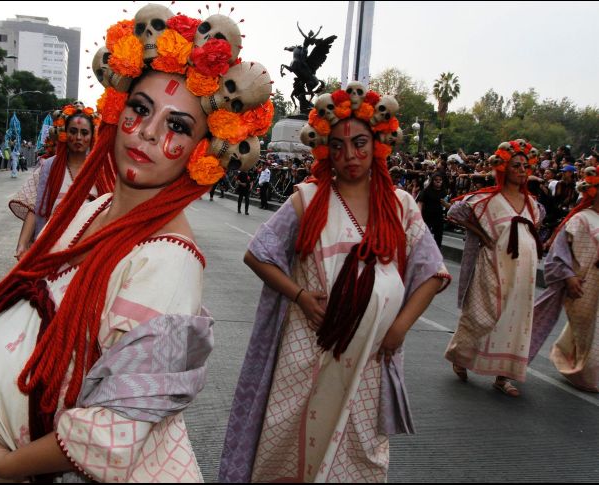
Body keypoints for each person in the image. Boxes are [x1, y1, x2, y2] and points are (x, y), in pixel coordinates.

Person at [0, 5, 273, 482]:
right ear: (118, 112)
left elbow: (115, 430)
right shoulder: (87, 208)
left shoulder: (170, 260)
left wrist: (10, 465)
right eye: (141, 108)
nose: (151, 132)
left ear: (203, 152)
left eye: (178, 126)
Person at [220, 83, 449, 483]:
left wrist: (397, 329)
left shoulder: (400, 205)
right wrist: (302, 297)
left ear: (377, 143)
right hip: (308, 349)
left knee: (361, 453)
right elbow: (257, 254)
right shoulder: (307, 200)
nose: (350, 156)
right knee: (290, 442)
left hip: (372, 358)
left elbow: (432, 272)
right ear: (326, 149)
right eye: (339, 146)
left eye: (360, 143)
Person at [444, 141, 545, 397]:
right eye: (516, 166)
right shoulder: (489, 199)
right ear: (504, 169)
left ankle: (504, 377)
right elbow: (456, 212)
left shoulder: (533, 204)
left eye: (525, 166)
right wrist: (481, 234)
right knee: (481, 316)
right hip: (492, 266)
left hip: (524, 273)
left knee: (517, 320)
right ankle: (460, 356)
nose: (522, 170)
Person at [530, 168, 599, 392]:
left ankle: (569, 357)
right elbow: (559, 253)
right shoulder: (581, 218)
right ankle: (585, 374)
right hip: (585, 284)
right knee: (588, 330)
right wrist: (568, 276)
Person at [9, 104, 101, 260]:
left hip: (87, 255)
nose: (78, 137)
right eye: (73, 131)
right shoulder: (48, 167)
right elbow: (35, 208)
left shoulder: (101, 170)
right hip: (49, 251)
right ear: (64, 134)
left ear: (92, 136)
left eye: (84, 132)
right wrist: (22, 245)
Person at [416, 172, 450, 247]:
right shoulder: (426, 191)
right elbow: (420, 203)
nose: (438, 181)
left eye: (440, 180)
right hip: (426, 215)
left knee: (438, 236)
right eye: (436, 180)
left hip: (438, 215)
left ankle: (437, 252)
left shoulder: (444, 191)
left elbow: (447, 205)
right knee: (424, 235)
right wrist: (419, 215)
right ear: (432, 181)